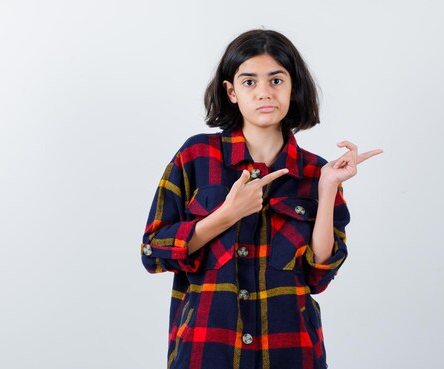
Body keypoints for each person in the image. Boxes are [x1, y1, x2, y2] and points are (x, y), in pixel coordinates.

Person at [140, 28, 383, 369]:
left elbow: (319, 277)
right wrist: (226, 215)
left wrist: (328, 188)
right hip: (207, 351)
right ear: (232, 91)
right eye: (250, 82)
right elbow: (153, 252)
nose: (264, 93)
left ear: (293, 87)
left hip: (291, 352)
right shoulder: (197, 156)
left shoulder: (317, 172)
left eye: (276, 80)